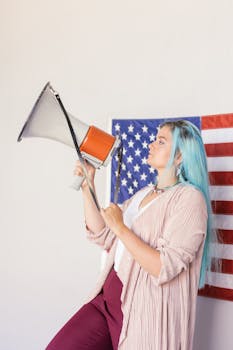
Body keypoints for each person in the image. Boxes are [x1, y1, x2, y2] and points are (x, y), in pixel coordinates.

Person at [46, 119, 215, 350]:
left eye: (161, 141)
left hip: (144, 310)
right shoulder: (143, 194)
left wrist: (121, 228)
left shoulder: (189, 199)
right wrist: (88, 187)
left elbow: (164, 266)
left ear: (179, 156)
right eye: (155, 139)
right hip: (107, 298)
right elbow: (103, 235)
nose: (152, 144)